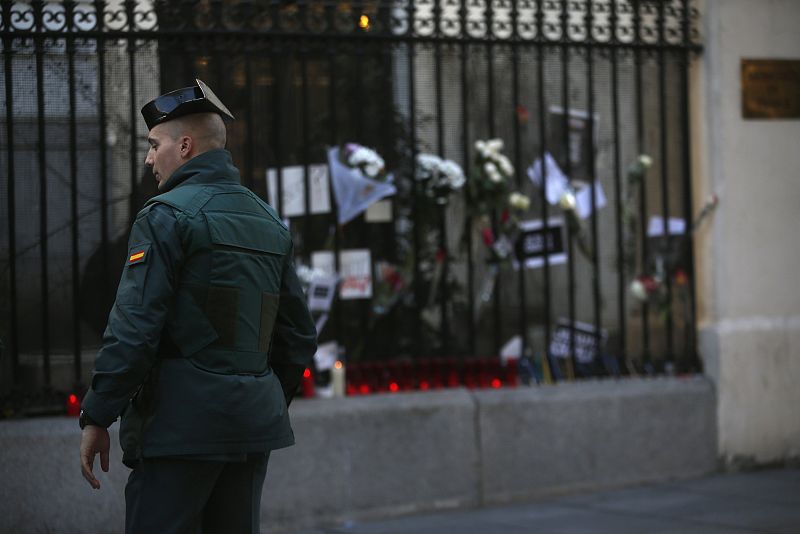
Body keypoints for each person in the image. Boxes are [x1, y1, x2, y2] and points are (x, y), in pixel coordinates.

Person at [78, 79, 317, 533]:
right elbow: (299, 336)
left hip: (179, 429)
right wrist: (258, 396)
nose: (149, 159)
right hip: (251, 428)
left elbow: (134, 328)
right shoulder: (268, 220)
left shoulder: (165, 215)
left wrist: (97, 414)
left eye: (155, 145)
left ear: (185, 146)